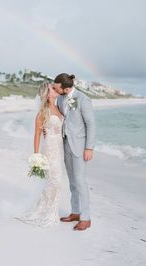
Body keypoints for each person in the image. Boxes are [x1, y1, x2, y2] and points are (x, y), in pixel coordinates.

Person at [15, 82, 64, 227]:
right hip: (49, 148)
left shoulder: (59, 107)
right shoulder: (43, 112)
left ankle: (45, 210)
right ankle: (48, 214)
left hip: (59, 148)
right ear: (48, 94)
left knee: (54, 182)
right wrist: (36, 155)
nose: (55, 90)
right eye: (52, 89)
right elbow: (37, 134)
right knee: (56, 182)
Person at [53, 73, 95, 231]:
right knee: (72, 182)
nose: (56, 90)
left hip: (79, 146)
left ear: (66, 88)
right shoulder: (61, 98)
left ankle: (86, 218)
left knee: (80, 182)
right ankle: (76, 212)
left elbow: (91, 124)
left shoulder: (83, 99)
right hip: (65, 144)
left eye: (57, 88)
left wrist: (89, 148)